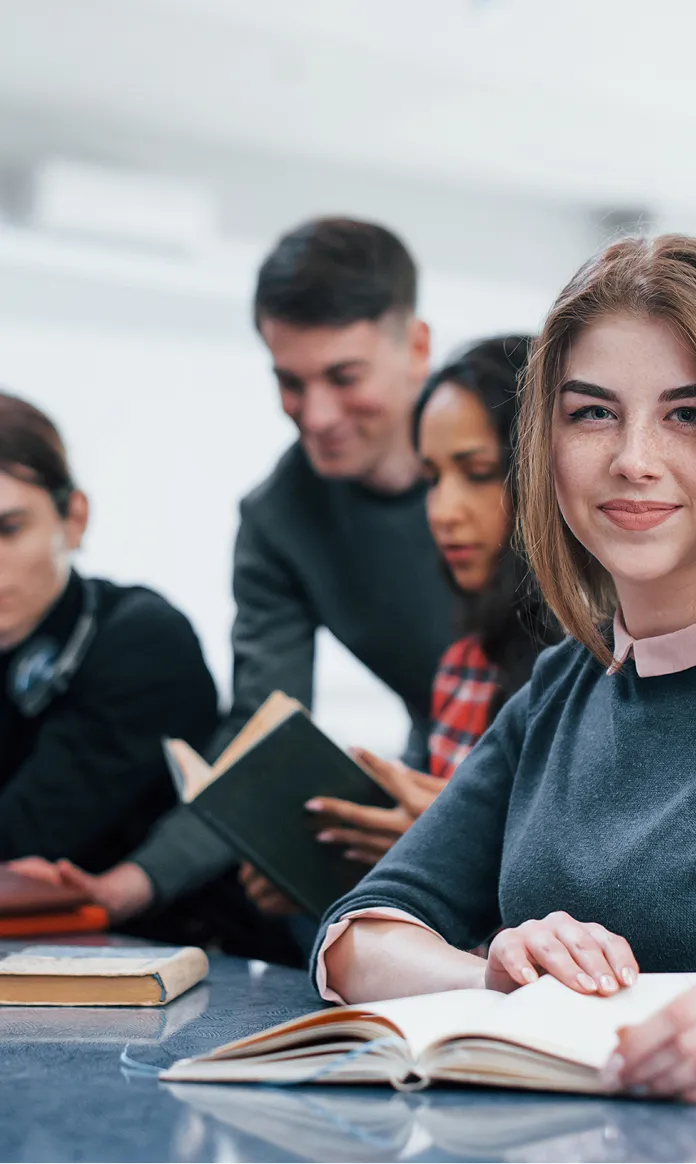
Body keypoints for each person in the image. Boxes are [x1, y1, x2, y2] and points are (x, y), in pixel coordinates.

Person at [312, 235, 696, 1134]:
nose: (634, 459)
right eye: (593, 414)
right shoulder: (567, 684)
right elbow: (357, 938)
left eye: (690, 415)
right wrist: (499, 972)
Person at [15, 218, 456, 931]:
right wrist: (130, 885)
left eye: (344, 377)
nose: (314, 415)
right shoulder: (278, 518)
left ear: (417, 347)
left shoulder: (527, 443)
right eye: (289, 381)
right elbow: (263, 733)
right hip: (439, 788)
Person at [242, 335, 559, 906]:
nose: (442, 511)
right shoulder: (464, 663)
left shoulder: (607, 666)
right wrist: (338, 863)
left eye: (479, 472)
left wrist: (453, 841)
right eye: (432, 477)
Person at [0, 391, 220, 939]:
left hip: (184, 973)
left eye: (8, 530)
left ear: (74, 518)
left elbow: (22, 840)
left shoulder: (143, 640)